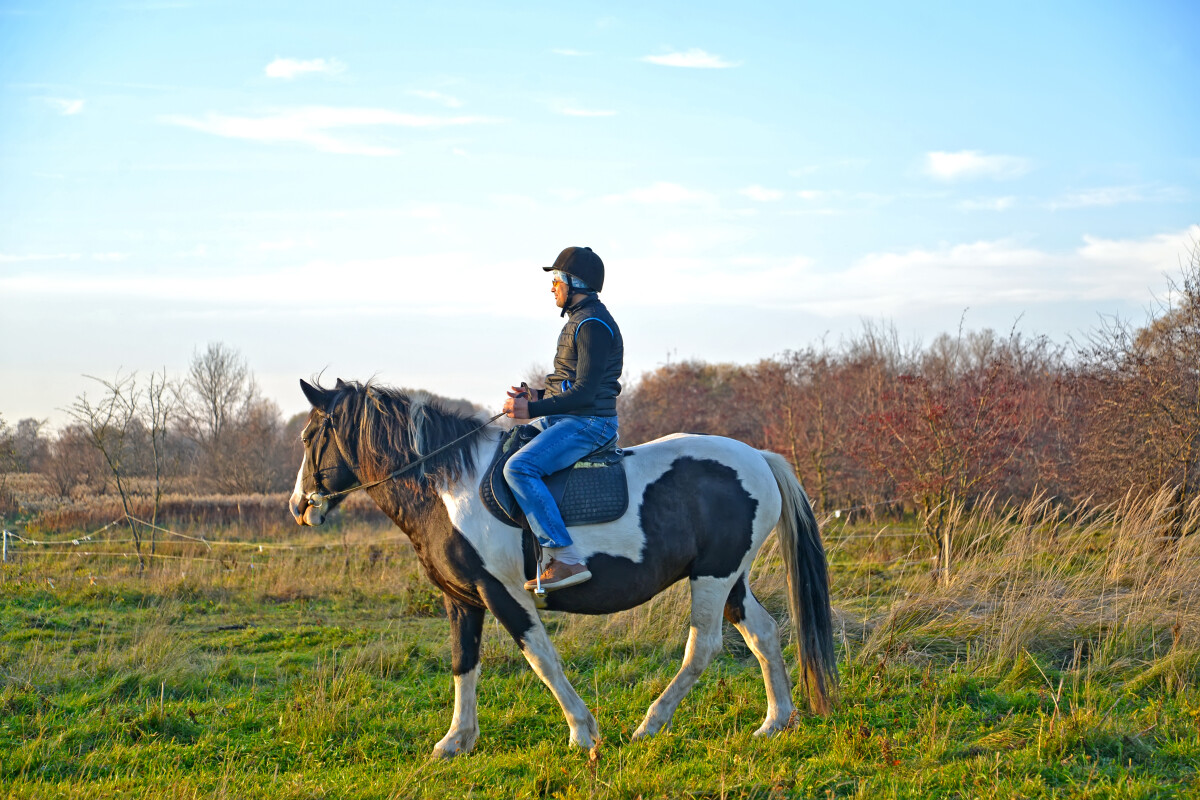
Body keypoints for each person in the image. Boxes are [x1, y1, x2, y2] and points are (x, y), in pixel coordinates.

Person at [502, 246, 624, 592]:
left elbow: (585, 394)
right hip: (571, 417)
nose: (552, 287)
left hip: (590, 423)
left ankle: (566, 558)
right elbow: (566, 385)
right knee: (504, 449)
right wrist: (534, 396)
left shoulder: (592, 325)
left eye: (556, 280)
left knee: (519, 468)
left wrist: (532, 411)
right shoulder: (579, 321)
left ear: (574, 283)